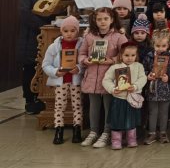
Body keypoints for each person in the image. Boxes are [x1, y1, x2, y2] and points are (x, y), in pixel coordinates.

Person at [78, 8, 127, 148]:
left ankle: (107, 132)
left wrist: (111, 60)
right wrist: (85, 60)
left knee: (108, 106)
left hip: (109, 78)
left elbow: (126, 54)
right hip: (92, 77)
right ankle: (93, 132)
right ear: (94, 20)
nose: (102, 22)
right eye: (99, 19)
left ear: (112, 20)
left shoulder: (119, 36)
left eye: (106, 19)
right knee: (93, 106)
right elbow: (81, 53)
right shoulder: (89, 37)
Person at [18, 0, 59, 114]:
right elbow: (24, 13)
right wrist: (43, 26)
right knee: (31, 68)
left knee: (50, 65)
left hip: (52, 36)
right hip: (32, 36)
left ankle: (47, 98)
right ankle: (30, 101)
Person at [42, 16, 84, 145]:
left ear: (77, 31)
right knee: (59, 105)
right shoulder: (54, 47)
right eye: (66, 31)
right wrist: (56, 72)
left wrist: (78, 68)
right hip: (61, 81)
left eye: (73, 30)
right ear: (61, 31)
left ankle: (77, 130)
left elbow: (86, 62)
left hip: (76, 82)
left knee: (77, 105)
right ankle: (58, 130)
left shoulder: (82, 45)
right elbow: (45, 65)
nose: (69, 34)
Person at [101, 42, 146, 149]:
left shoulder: (139, 66)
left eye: (133, 55)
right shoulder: (115, 67)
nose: (130, 58)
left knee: (131, 120)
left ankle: (131, 139)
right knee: (117, 120)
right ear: (121, 55)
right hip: (119, 99)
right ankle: (116, 141)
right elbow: (106, 80)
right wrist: (113, 89)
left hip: (132, 99)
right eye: (126, 55)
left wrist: (135, 86)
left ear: (136, 55)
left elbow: (143, 78)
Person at [141, 31, 170, 145]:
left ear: (168, 45)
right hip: (152, 89)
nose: (160, 48)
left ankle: (163, 132)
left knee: (164, 112)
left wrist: (169, 77)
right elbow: (143, 69)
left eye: (163, 46)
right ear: (153, 44)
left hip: (166, 89)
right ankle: (152, 133)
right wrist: (147, 75)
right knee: (152, 112)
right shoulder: (149, 56)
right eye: (157, 45)